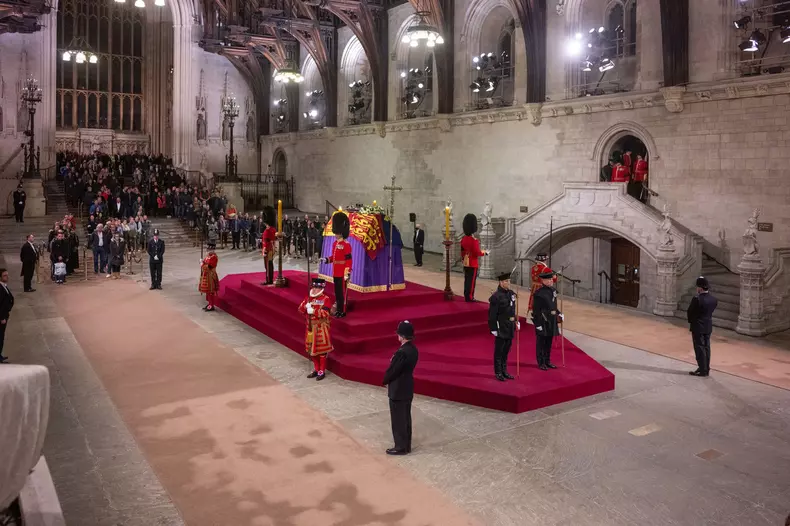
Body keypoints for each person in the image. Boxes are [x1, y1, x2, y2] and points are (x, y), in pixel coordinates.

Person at [382, 321, 419, 455]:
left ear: (402, 336)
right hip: (407, 387)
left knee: (398, 419)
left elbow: (393, 370)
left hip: (398, 389)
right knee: (405, 417)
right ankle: (406, 445)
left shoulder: (401, 353)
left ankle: (400, 446)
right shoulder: (413, 349)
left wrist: (385, 380)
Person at [297, 278, 333, 381]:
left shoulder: (326, 299)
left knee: (321, 352)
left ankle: (322, 371)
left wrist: (314, 310)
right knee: (311, 350)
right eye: (314, 287)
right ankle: (316, 369)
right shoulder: (308, 297)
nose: (315, 289)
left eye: (318, 287)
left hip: (321, 328)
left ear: (322, 288)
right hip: (310, 328)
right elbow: (300, 309)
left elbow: (326, 313)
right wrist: (305, 306)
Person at [488, 272, 519, 381]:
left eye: (509, 281)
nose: (508, 283)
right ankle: (498, 372)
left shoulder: (511, 294)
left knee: (506, 350)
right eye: (506, 281)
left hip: (510, 326)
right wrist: (493, 328)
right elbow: (492, 314)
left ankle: (505, 370)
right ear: (501, 282)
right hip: (501, 326)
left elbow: (512, 310)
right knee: (499, 351)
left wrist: (515, 321)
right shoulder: (496, 297)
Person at [320, 212, 352, 318]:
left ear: (341, 232)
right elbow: (333, 258)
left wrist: (347, 272)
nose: (335, 234)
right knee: (337, 293)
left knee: (341, 293)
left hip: (342, 272)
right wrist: (326, 260)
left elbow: (348, 260)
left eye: (337, 232)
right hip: (335, 272)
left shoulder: (346, 245)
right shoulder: (335, 244)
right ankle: (338, 309)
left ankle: (341, 311)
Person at [687, 276, 718, 377]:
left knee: (699, 348)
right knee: (706, 347)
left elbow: (690, 312)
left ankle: (702, 370)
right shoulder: (713, 299)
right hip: (708, 326)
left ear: (700, 288)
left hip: (698, 326)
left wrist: (692, 322)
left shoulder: (697, 299)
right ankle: (705, 368)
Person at [532, 271, 563, 371]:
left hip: (552, 319)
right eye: (549, 279)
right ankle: (541, 362)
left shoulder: (553, 290)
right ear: (543, 281)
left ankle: (547, 360)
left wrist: (559, 313)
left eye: (551, 279)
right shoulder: (539, 294)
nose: (551, 281)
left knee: (549, 342)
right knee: (541, 342)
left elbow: (553, 305)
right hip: (543, 320)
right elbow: (536, 310)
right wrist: (538, 324)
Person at [460, 213, 488, 302]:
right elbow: (477, 253)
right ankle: (470, 297)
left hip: (466, 262)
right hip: (473, 263)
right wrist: (485, 253)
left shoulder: (463, 239)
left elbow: (462, 251)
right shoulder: (474, 240)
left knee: (466, 280)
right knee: (471, 282)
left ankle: (466, 295)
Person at [261, 209, 277, 285]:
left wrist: (267, 249)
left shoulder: (271, 230)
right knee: (267, 265)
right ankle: (268, 279)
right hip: (266, 248)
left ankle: (269, 280)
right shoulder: (267, 230)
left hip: (269, 249)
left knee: (268, 264)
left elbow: (272, 240)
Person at [0, 268, 12, 363]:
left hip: (5, 315)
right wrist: (2, 317)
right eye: (4, 275)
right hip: (2, 317)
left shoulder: (3, 286)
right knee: (0, 337)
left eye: (7, 275)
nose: (7, 277)